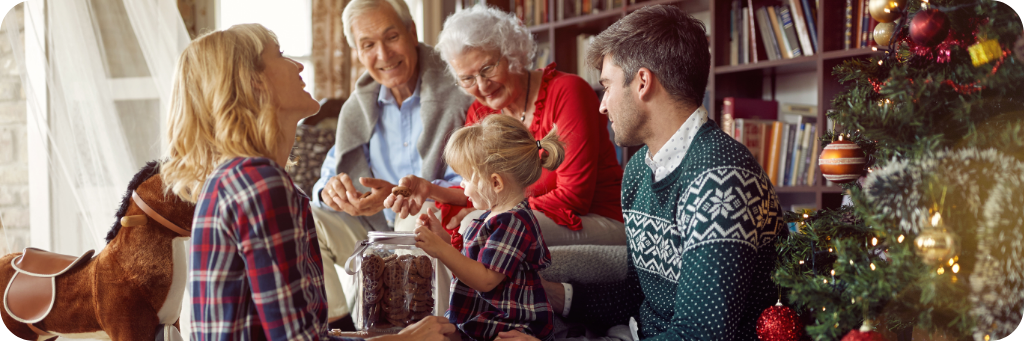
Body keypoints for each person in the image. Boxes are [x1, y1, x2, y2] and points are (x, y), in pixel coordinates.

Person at [160, 23, 455, 341]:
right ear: (254, 83)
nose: (298, 65)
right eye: (280, 55)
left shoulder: (236, 177)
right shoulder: (261, 184)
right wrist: (406, 339)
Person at [506, 5, 786, 341]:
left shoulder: (721, 179)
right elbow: (640, 295)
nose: (602, 105)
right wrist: (549, 294)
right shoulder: (640, 169)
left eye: (607, 86)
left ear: (642, 82)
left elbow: (699, 335)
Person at [386, 4, 625, 248]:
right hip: (524, 214)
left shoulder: (567, 92)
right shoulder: (480, 112)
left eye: (487, 69)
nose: (481, 85)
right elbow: (479, 189)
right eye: (467, 79)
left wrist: (486, 214)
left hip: (593, 220)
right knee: (419, 220)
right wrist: (429, 190)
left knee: (477, 226)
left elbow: (573, 198)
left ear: (512, 53)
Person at [309, 0, 474, 324]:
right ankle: (343, 327)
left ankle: (417, 328)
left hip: (431, 226)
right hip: (372, 234)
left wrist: (407, 195)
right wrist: (331, 192)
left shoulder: (458, 90)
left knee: (416, 216)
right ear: (357, 51)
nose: (383, 55)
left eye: (391, 37)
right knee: (308, 217)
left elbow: (471, 181)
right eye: (368, 45)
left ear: (412, 32)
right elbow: (327, 178)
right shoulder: (357, 108)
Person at [413, 114, 562, 341]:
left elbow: (485, 280)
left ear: (495, 183)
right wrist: (442, 239)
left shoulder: (514, 222)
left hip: (509, 326)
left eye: (465, 177)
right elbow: (468, 267)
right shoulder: (489, 217)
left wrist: (440, 250)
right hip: (478, 320)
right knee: (433, 328)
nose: (461, 184)